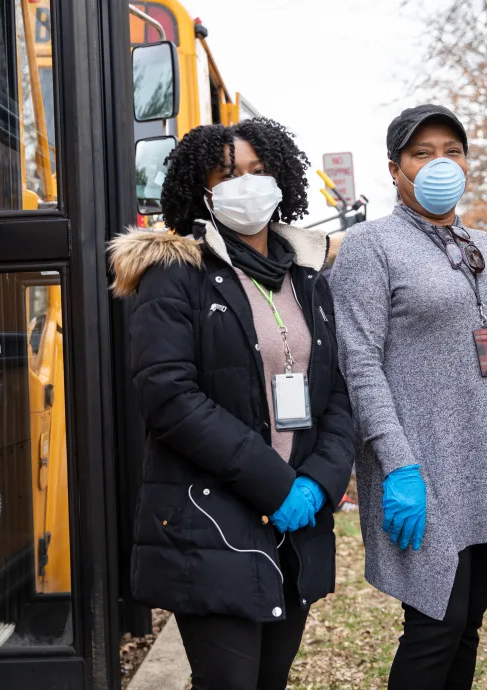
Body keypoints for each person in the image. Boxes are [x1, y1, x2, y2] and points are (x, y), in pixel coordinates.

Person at [330, 104, 487, 690]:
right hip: (423, 472)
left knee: (466, 627)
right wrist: (397, 463)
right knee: (432, 631)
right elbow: (358, 362)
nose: (440, 163)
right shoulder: (372, 246)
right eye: (422, 153)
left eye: (452, 151)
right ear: (395, 169)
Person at [109, 118, 355, 690]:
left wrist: (318, 481)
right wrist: (276, 483)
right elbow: (167, 395)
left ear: (280, 179)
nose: (246, 184)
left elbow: (337, 390)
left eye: (257, 171)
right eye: (229, 174)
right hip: (212, 517)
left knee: (271, 680)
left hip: (297, 522)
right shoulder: (175, 273)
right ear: (203, 191)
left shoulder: (307, 276)